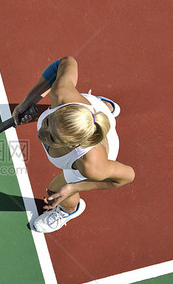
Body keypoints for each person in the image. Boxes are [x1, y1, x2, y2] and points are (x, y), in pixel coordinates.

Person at [12, 57, 135, 233]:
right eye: (47, 121)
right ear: (61, 107)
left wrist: (74, 187)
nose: (41, 134)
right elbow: (66, 61)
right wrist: (28, 101)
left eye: (52, 138)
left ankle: (69, 210)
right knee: (94, 107)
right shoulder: (61, 93)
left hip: (96, 153)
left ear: (72, 145)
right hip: (87, 111)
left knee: (55, 191)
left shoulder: (90, 165)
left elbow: (127, 176)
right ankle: (104, 107)